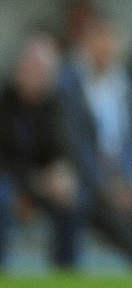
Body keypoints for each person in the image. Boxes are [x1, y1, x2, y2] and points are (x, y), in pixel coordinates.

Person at [57, 13, 132, 265]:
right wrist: (106, 185)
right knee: (118, 219)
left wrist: (128, 178)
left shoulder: (125, 83)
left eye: (111, 42)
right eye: (99, 41)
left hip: (126, 175)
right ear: (87, 43)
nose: (106, 48)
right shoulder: (69, 83)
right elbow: (74, 143)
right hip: (89, 178)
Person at [0, 31, 85, 270]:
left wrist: (63, 172)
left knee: (73, 199)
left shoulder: (55, 105)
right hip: (10, 182)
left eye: (44, 69)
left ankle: (65, 275)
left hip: (43, 184)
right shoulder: (4, 102)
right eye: (33, 65)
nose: (38, 73)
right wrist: (31, 181)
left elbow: (65, 149)